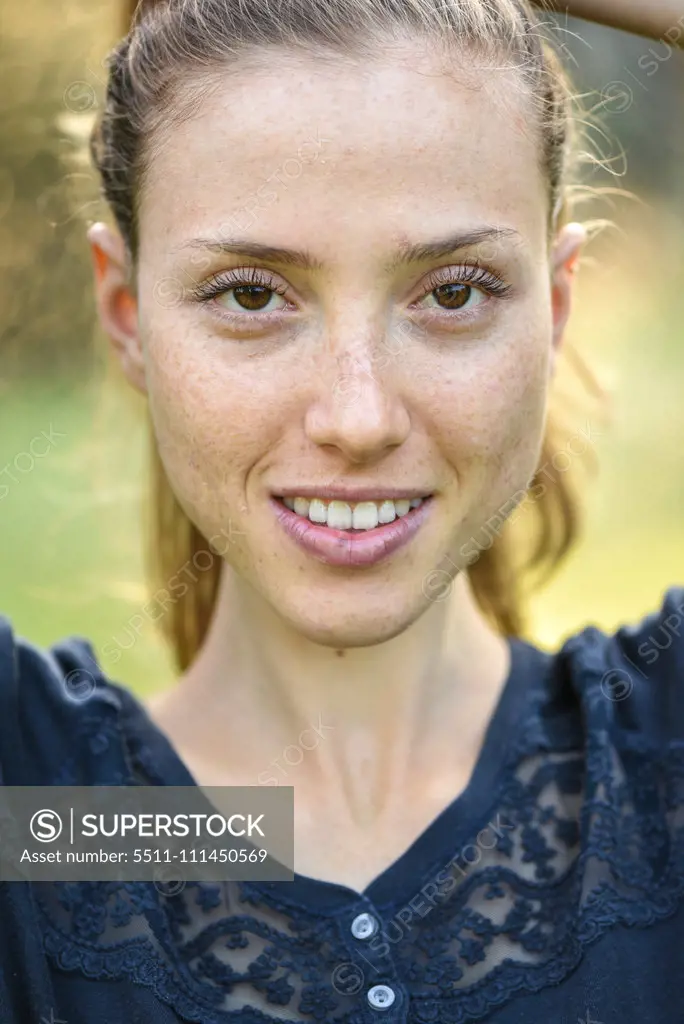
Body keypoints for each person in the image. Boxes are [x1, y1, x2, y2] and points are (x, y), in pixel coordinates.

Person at [1, 0, 683, 1021]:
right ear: (128, 315)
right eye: (248, 294)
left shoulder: (661, 756)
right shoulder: (46, 818)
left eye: (452, 293)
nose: (357, 416)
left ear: (554, 304)